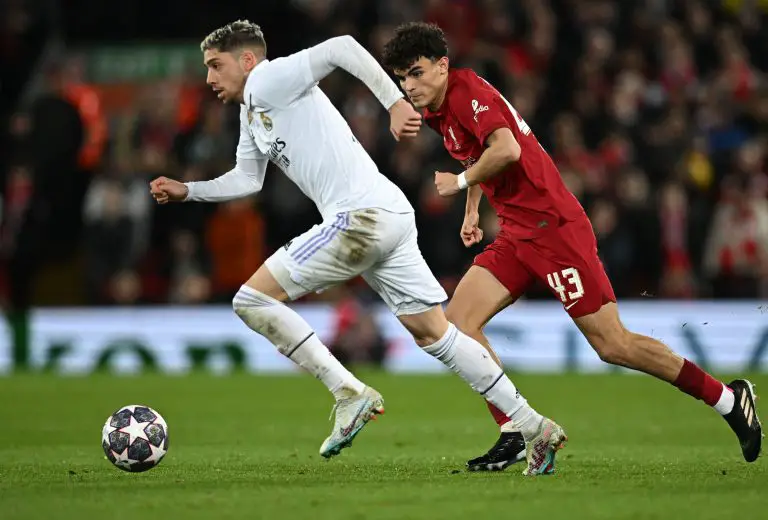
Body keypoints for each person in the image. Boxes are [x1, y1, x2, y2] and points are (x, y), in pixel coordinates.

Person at [149, 20, 565, 476]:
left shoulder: (269, 77)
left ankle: (347, 392)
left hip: (360, 217)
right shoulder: (253, 110)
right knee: (435, 334)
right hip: (387, 212)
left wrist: (392, 103)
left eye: (215, 65)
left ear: (247, 61)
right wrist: (188, 191)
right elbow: (247, 178)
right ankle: (531, 424)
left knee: (250, 299)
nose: (209, 78)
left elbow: (341, 47)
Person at [381, 21, 762, 468]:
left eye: (417, 72)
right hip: (518, 232)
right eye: (402, 78)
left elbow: (506, 150)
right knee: (459, 323)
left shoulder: (465, 92)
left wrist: (458, 182)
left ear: (442, 66)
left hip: (555, 230)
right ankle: (518, 428)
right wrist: (470, 210)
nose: (410, 86)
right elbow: (477, 154)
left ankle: (727, 398)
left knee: (612, 344)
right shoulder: (439, 110)